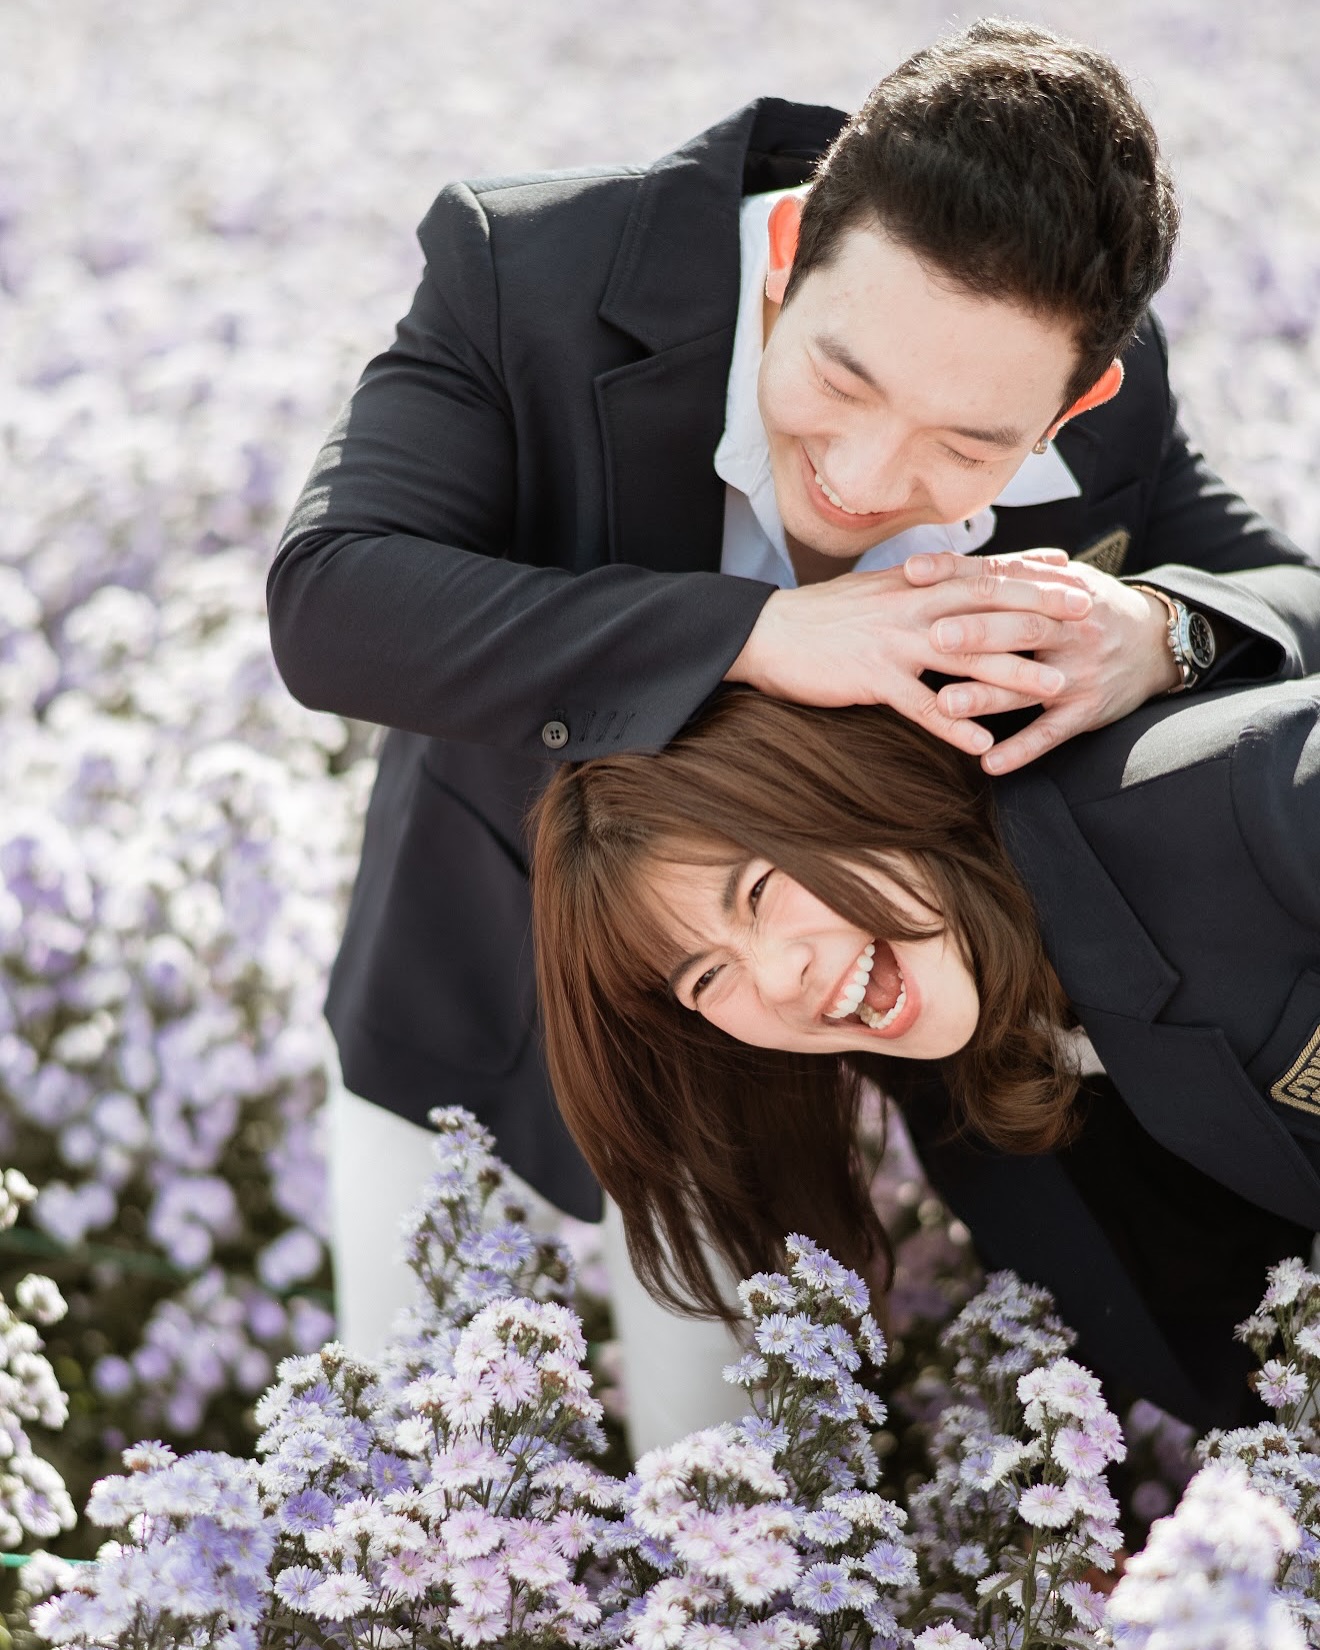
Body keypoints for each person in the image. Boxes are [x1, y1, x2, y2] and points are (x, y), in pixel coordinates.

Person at [267, 19, 1320, 1445]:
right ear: (784, 256)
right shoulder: (538, 270)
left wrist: (1159, 630)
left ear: (1075, 404)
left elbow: (1288, 596)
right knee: (401, 1441)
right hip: (501, 959)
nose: (871, 478)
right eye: (842, 381)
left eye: (968, 447)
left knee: (744, 1473)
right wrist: (758, 633)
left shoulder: (1101, 392)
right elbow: (333, 598)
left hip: (846, 999)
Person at [529, 678, 1320, 1430]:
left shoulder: (1253, 804)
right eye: (705, 978)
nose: (777, 978)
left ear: (846, 785)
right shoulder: (968, 1121)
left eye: (761, 889)